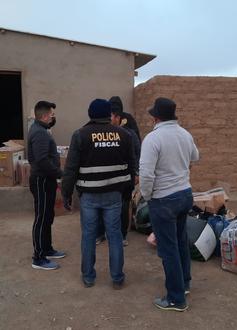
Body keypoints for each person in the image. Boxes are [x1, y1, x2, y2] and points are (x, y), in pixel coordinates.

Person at [61, 99, 135, 289]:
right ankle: (117, 278)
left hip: (89, 196)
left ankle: (88, 277)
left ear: (90, 114)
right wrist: (127, 192)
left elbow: (70, 169)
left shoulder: (80, 135)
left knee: (88, 236)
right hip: (114, 195)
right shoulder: (124, 135)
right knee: (115, 236)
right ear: (109, 114)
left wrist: (67, 194)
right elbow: (131, 167)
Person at [140, 97, 199, 312]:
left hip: (164, 199)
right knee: (180, 241)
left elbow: (146, 174)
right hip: (184, 194)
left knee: (168, 249)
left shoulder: (153, 139)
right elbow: (196, 156)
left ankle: (176, 299)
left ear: (155, 117)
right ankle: (183, 284)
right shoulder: (185, 134)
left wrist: (148, 196)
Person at [95, 96, 142, 245]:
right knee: (104, 203)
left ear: (117, 116)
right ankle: (100, 233)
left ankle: (121, 235)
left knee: (123, 204)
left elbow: (137, 152)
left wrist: (136, 173)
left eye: (113, 115)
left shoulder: (129, 130)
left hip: (126, 175)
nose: (111, 118)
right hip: (109, 175)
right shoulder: (103, 129)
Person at [28, 101, 66, 270]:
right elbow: (41, 160)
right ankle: (39, 257)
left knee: (47, 216)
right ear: (44, 116)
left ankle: (47, 249)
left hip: (46, 180)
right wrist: (60, 174)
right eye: (51, 114)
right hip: (42, 180)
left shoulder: (41, 130)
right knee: (42, 218)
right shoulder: (40, 133)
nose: (53, 116)